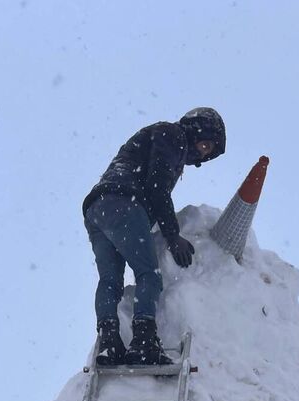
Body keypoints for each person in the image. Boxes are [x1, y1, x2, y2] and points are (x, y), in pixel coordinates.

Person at [82, 108, 226, 367]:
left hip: (97, 208)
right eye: (205, 145)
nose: (203, 154)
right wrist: (173, 237)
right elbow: (156, 187)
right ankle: (144, 341)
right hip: (125, 201)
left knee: (110, 280)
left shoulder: (161, 137)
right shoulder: (173, 134)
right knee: (148, 273)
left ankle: (109, 341)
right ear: (198, 129)